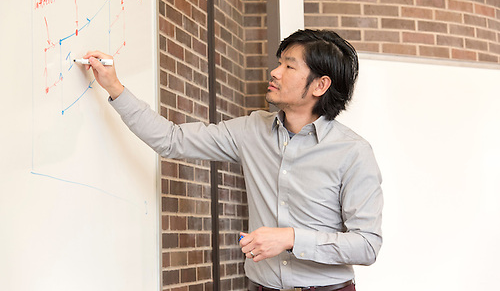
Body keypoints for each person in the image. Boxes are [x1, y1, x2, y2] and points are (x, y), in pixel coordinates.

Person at [83, 29, 383, 291]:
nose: (275, 72)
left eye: (289, 66)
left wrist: (291, 238)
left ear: (319, 86)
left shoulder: (353, 152)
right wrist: (114, 87)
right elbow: (171, 140)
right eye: (279, 63)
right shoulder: (252, 130)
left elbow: (367, 245)